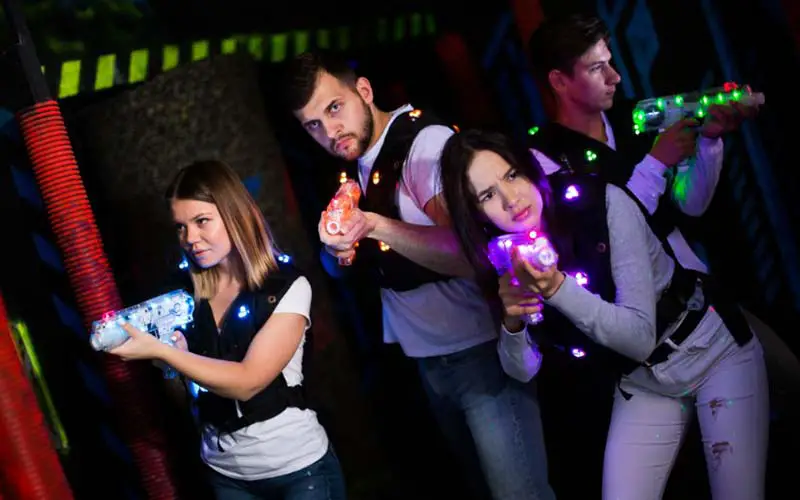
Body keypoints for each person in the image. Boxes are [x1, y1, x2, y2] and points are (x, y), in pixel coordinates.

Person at [439, 128, 769, 500]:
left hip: (711, 351)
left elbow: (639, 337)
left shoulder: (601, 201)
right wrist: (512, 321)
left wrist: (557, 289)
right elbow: (522, 369)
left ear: (528, 168)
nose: (510, 199)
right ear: (477, 214)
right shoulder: (508, 255)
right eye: (487, 195)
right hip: (643, 382)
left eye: (511, 175)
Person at [283, 50, 555, 500]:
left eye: (334, 108)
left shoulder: (422, 146)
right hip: (431, 357)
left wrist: (373, 225)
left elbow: (468, 253)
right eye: (312, 124)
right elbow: (352, 263)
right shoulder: (359, 163)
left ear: (364, 92)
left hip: (479, 350)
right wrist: (340, 251)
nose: (329, 132)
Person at [106, 160, 346, 500]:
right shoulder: (182, 296)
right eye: (180, 227)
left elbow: (249, 382)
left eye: (202, 221)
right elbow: (188, 395)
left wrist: (164, 352)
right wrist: (170, 368)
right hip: (225, 474)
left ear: (234, 215)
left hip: (298, 470)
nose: (190, 238)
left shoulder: (286, 286)